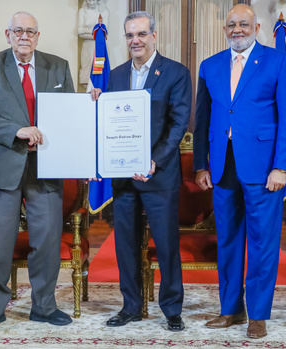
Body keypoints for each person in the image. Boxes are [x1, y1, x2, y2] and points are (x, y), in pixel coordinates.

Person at [193, 4, 286, 339]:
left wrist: (281, 166)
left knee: (262, 243)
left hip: (264, 168)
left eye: (243, 24)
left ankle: (258, 315)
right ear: (225, 29)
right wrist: (200, 165)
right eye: (231, 25)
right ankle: (231, 310)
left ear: (256, 27)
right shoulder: (209, 66)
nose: (237, 29)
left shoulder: (278, 60)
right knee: (227, 241)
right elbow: (202, 119)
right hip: (223, 167)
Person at [0, 11, 75, 331]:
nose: (24, 36)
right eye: (18, 31)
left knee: (47, 240)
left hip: (47, 166)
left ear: (37, 36)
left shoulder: (58, 66)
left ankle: (44, 306)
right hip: (4, 166)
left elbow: (69, 115)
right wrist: (17, 130)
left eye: (30, 31)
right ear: (8, 34)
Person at [91, 10, 191, 332]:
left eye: (141, 34)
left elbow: (178, 125)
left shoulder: (175, 72)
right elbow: (107, 125)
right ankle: (131, 306)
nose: (136, 40)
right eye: (130, 35)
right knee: (125, 244)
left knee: (165, 244)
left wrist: (154, 161)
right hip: (123, 179)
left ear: (153, 36)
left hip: (158, 176)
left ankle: (172, 308)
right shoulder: (116, 75)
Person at [77, 0, 109, 85]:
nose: (91, 2)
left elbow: (104, 33)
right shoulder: (82, 11)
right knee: (86, 72)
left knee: (98, 73)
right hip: (87, 46)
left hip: (99, 47)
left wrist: (88, 31)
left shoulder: (104, 12)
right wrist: (96, 32)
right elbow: (80, 32)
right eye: (88, 0)